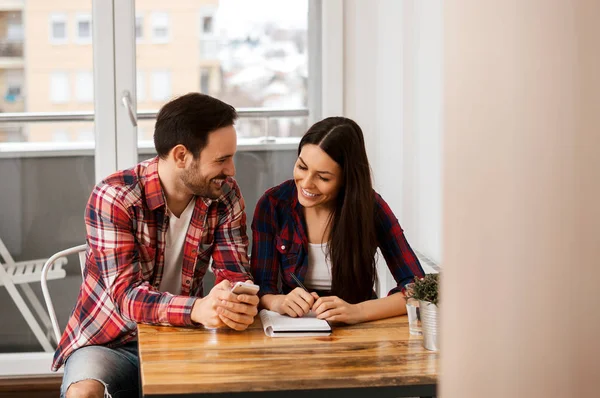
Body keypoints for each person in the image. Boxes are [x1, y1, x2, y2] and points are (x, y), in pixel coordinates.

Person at [56, 93, 259, 398]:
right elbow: (126, 297)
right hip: (111, 341)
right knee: (83, 394)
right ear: (181, 156)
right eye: (221, 159)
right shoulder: (115, 197)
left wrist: (234, 301)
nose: (231, 170)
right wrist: (198, 308)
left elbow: (235, 274)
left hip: (185, 336)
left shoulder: (224, 193)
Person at [251, 116, 425, 325]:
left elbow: (418, 289)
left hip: (359, 330)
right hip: (295, 327)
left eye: (323, 177)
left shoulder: (371, 207)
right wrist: (278, 301)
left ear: (347, 180)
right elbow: (261, 288)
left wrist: (358, 311)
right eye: (302, 167)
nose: (306, 183)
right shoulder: (273, 204)